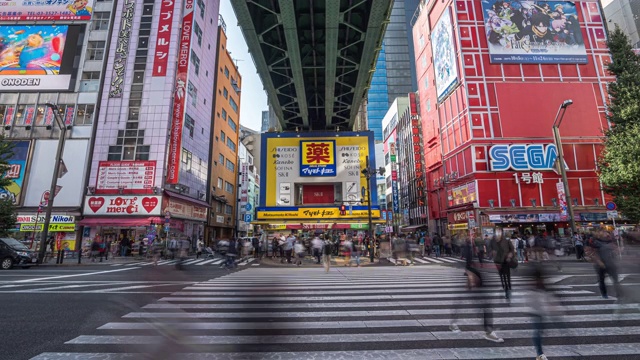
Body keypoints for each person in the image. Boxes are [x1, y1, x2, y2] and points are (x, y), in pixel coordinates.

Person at [451, 237, 504, 343]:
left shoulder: (471, 249)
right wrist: (471, 277)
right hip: (477, 279)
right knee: (485, 306)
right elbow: (468, 264)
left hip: (478, 278)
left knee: (470, 302)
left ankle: (454, 322)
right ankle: (488, 331)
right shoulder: (469, 249)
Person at [587, 231, 623, 300]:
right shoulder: (595, 242)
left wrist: (620, 241)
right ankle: (604, 294)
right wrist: (598, 261)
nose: (606, 234)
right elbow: (591, 253)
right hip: (601, 264)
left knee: (615, 280)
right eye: (604, 233)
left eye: (607, 233)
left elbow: (617, 250)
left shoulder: (610, 242)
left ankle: (619, 294)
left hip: (611, 263)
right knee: (601, 280)